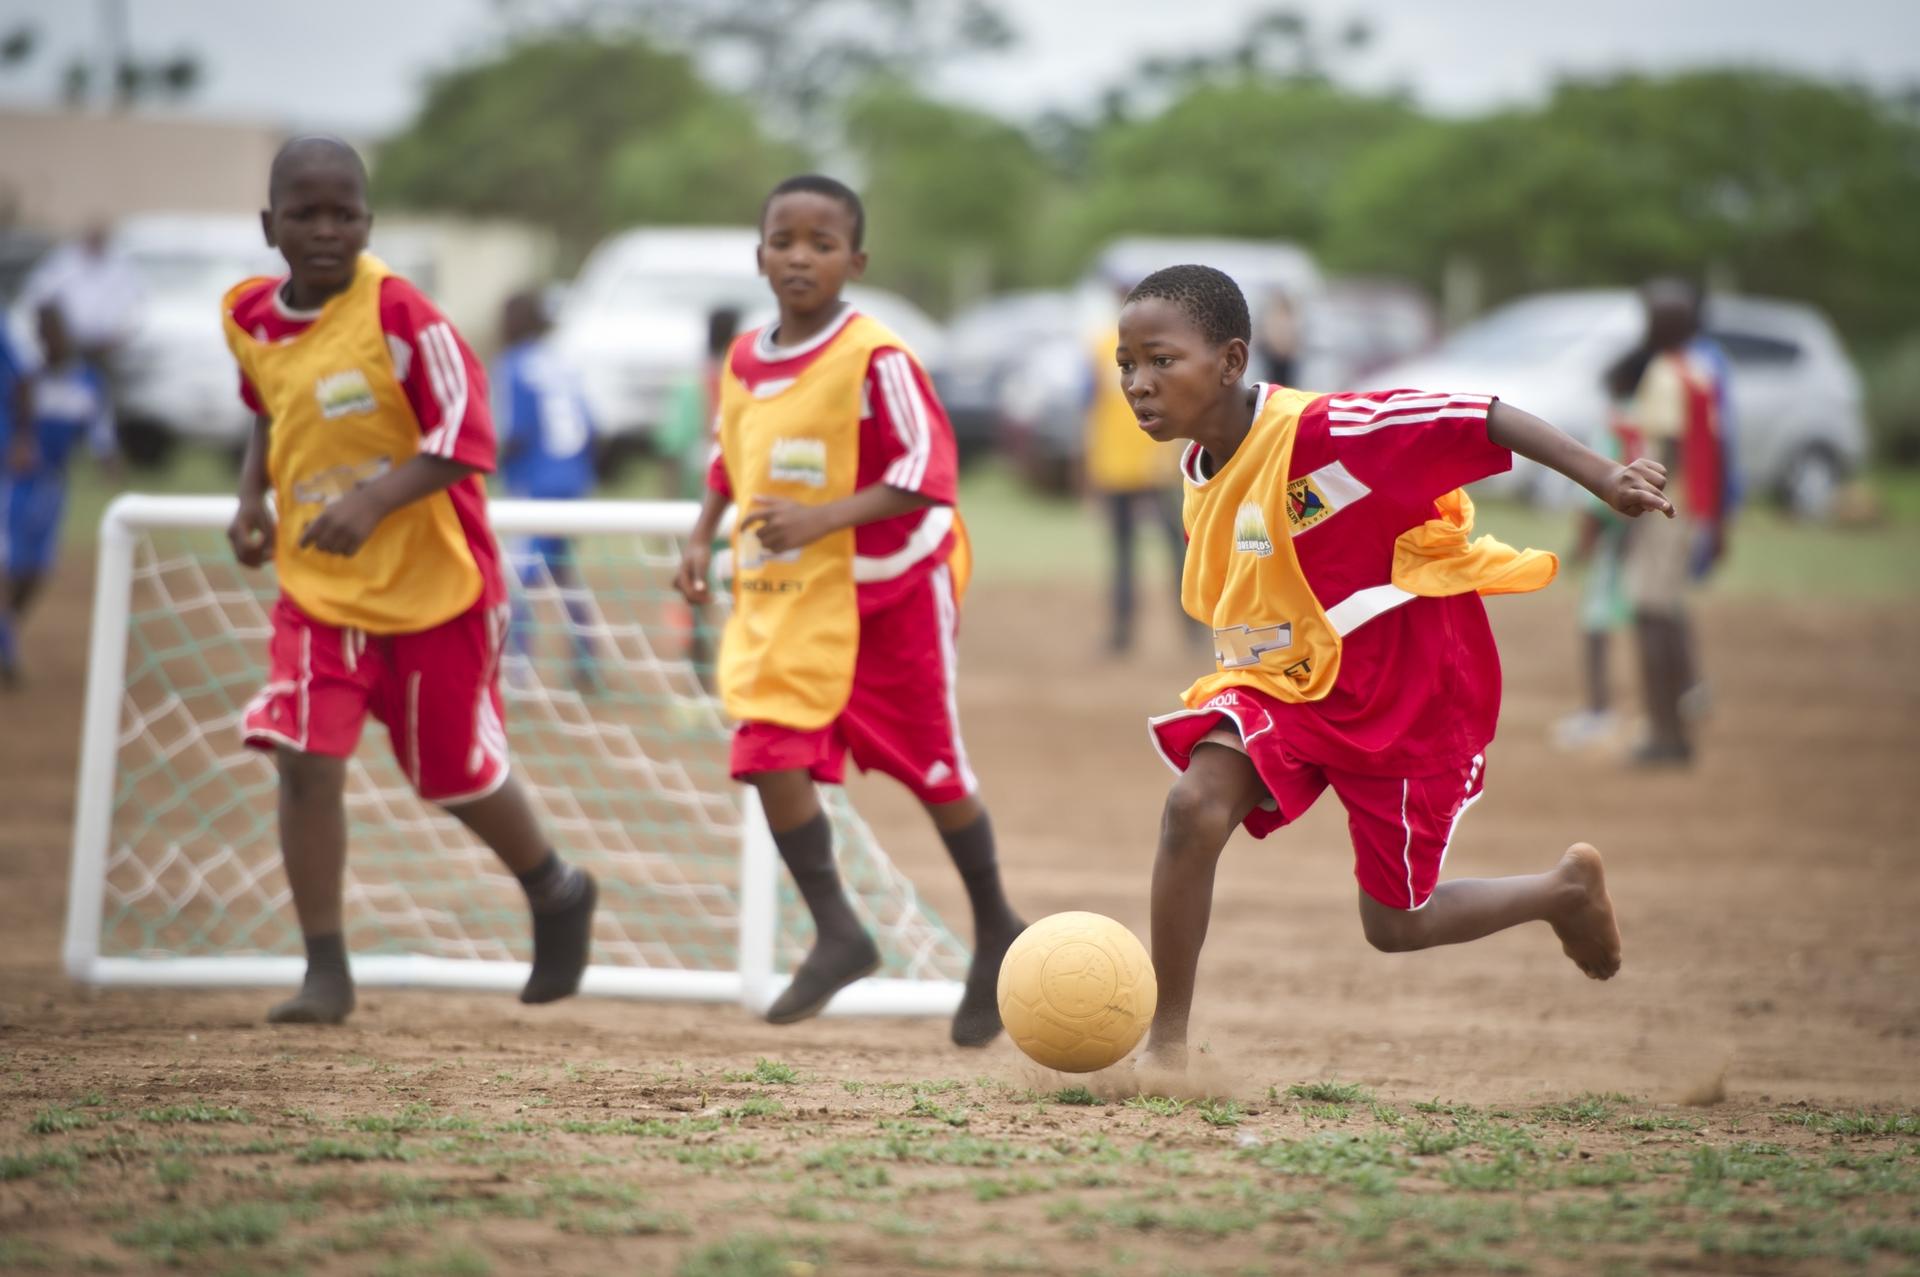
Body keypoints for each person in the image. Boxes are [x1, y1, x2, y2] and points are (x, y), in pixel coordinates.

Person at [1117, 265, 1657, 1070]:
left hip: (1409, 693)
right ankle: (1165, 1049)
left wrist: (1603, 475)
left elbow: (1476, 413)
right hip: (1291, 683)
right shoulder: (1201, 467)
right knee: (1192, 807)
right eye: (1126, 364)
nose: (1138, 383)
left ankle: (1562, 892)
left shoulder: (1328, 430)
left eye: (1162, 360)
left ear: (1231, 361)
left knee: (1395, 924)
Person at [221, 136, 596, 1025]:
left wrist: (373, 501)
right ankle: (327, 968)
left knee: (450, 774)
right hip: (319, 588)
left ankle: (555, 888)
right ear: (269, 225)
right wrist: (250, 499)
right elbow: (267, 407)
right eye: (304, 214)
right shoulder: (246, 315)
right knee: (306, 760)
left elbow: (469, 439)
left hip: (438, 589)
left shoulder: (400, 316)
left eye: (342, 213)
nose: (324, 229)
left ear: (367, 222)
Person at [672, 175, 1025, 1044]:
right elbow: (731, 458)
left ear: (854, 261)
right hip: (795, 594)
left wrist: (820, 518)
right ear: (759, 255)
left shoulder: (879, 357)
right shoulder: (745, 360)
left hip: (895, 589)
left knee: (930, 763)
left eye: (821, 243)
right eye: (784, 240)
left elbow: (925, 478)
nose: (800, 255)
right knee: (763, 741)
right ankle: (838, 928)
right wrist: (700, 533)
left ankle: (996, 931)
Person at [1617, 280, 1724, 767]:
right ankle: (1676, 728)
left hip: (1664, 508)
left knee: (1649, 614)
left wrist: (1639, 513)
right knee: (1666, 611)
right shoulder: (1699, 371)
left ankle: (1665, 736)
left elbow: (1668, 452)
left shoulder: (1663, 373)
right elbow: (1712, 449)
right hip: (1690, 508)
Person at [0, 303, 116, 687]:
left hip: (54, 485)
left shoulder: (86, 381)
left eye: (55, 331)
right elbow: (17, 415)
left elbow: (99, 431)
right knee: (10, 564)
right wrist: (22, 440)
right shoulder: (27, 379)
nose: (50, 340)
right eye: (43, 332)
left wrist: (107, 460)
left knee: (38, 569)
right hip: (17, 482)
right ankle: (7, 648)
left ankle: (7, 632)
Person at [492, 288, 598, 685]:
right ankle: (587, 658)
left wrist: (490, 463)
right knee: (562, 571)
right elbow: (591, 426)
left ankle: (517, 669)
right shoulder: (561, 362)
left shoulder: (513, 365)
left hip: (538, 483)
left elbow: (516, 430)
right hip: (574, 480)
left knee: (519, 574)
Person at [1083, 301, 1184, 655]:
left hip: (1139, 461)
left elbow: (1090, 403)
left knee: (1140, 549)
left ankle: (1126, 632)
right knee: (1172, 546)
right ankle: (1187, 626)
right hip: (1146, 459)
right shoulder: (1160, 343)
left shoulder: (1104, 345)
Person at [20, 223, 144, 367]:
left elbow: (136, 304)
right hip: (70, 346)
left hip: (110, 349)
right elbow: (39, 293)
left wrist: (123, 335)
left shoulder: (120, 265)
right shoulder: (64, 262)